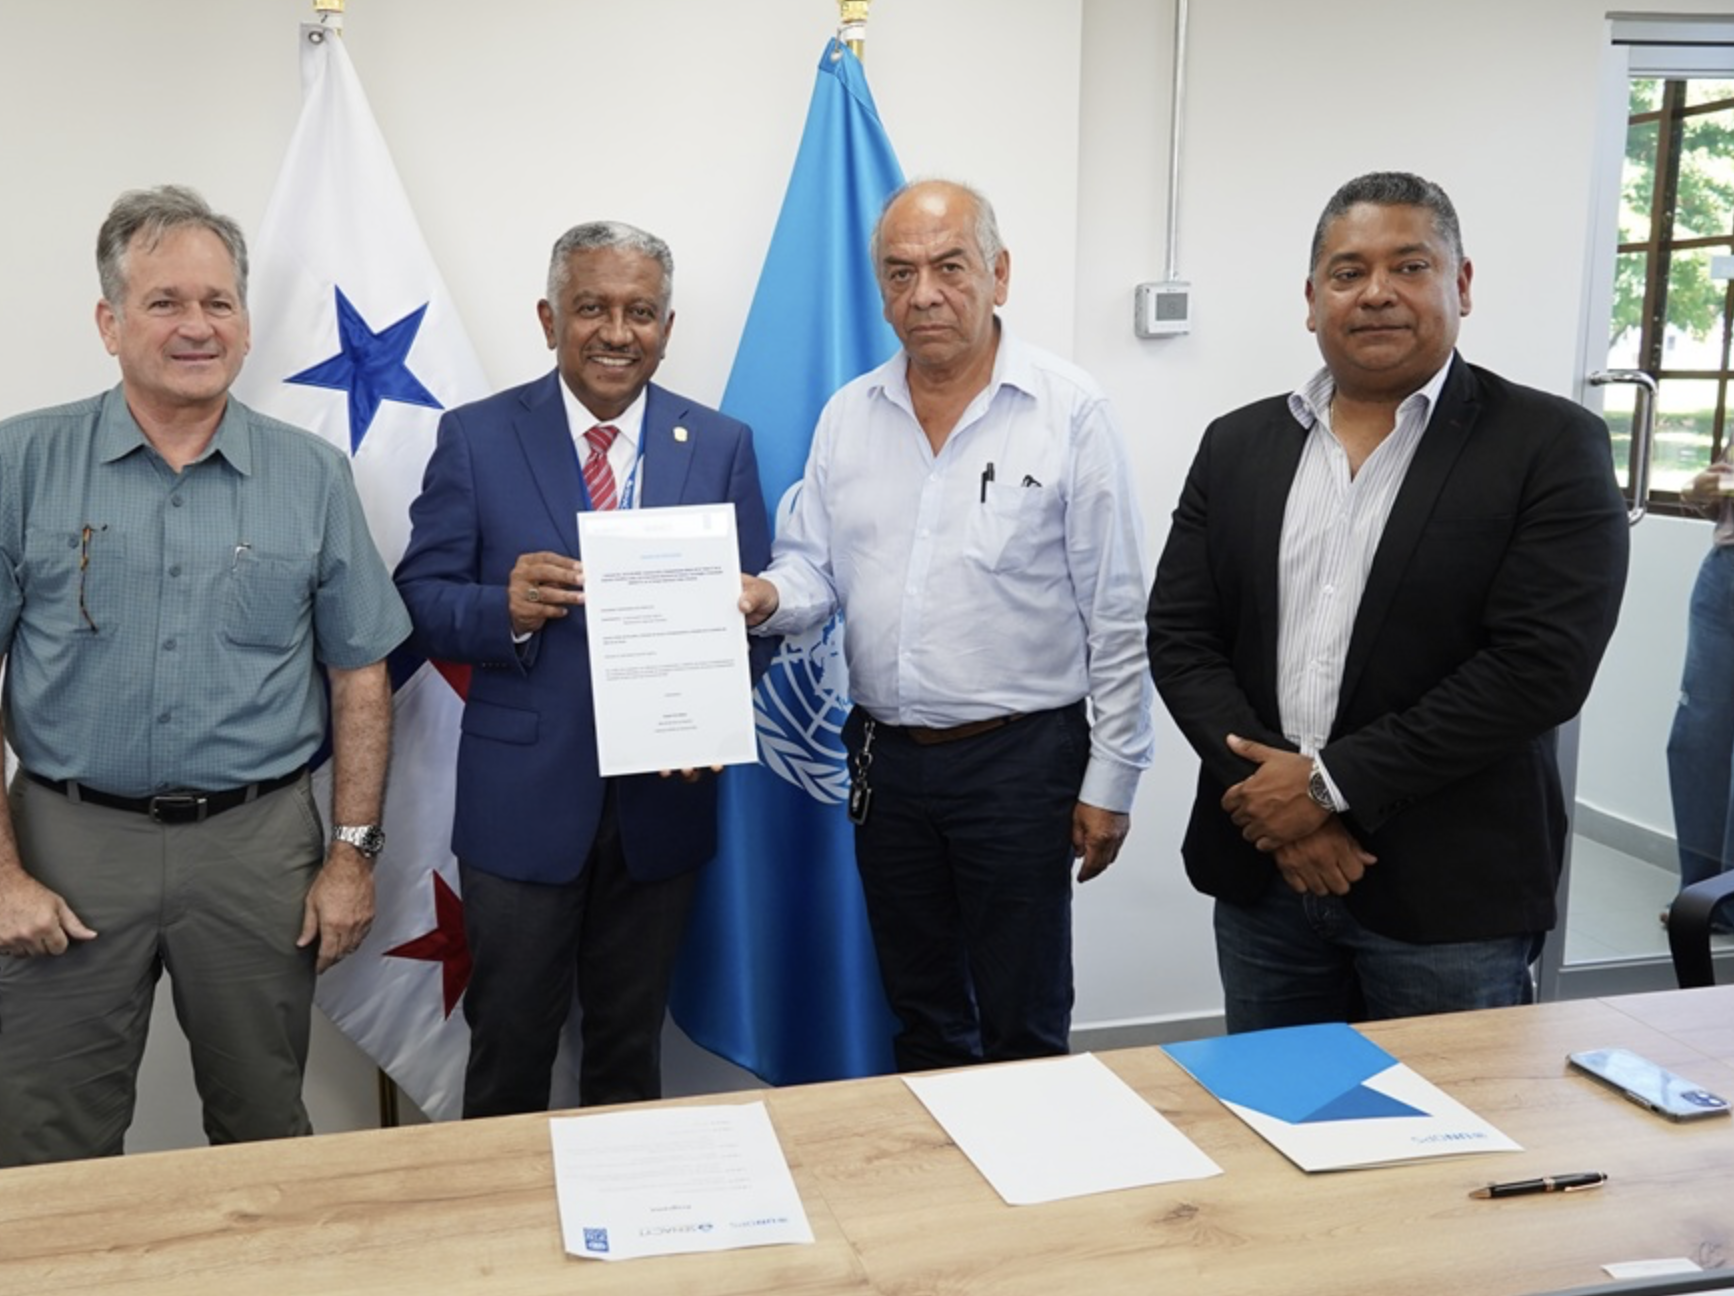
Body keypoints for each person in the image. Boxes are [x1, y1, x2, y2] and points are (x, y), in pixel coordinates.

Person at [0, 186, 411, 1166]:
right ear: (109, 322)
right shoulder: (18, 461)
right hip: (68, 845)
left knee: (265, 1133)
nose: (196, 327)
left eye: (218, 303)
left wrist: (351, 857)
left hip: (259, 850)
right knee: (52, 1141)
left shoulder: (311, 477)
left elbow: (360, 678)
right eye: (165, 302)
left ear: (248, 323)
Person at [1146, 171, 1631, 1033]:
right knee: (1278, 1126)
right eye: (1347, 272)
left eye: (1409, 266)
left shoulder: (1550, 445)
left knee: (1447, 1150)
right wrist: (1278, 811)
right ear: (1311, 299)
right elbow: (1182, 635)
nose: (1376, 293)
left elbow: (1538, 670)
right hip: (1266, 879)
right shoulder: (1237, 444)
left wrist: (1326, 789)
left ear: (1462, 283)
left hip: (1448, 901)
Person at [739, 179, 1154, 1072]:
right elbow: (813, 564)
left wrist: (1112, 778)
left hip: (1020, 761)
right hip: (886, 763)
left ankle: (1034, 1200)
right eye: (899, 273)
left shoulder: (1068, 411)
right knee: (922, 1015)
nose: (923, 293)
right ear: (880, 290)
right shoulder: (849, 416)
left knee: (1023, 1021)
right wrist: (767, 598)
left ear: (999, 274)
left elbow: (1117, 611)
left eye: (949, 267)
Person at [394, 220, 772, 1118]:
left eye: (640, 312)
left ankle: (630, 1240)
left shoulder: (719, 444)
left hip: (663, 806)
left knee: (628, 1049)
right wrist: (501, 608)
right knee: (511, 1045)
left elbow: (752, 617)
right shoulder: (478, 438)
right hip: (523, 803)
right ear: (548, 316)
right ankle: (506, 1244)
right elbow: (416, 596)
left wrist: (713, 715)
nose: (615, 331)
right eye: (592, 307)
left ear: (667, 328)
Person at [1669, 455, 1734, 931]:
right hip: (1725, 574)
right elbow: (1705, 492)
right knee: (1698, 739)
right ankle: (1703, 895)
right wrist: (1703, 488)